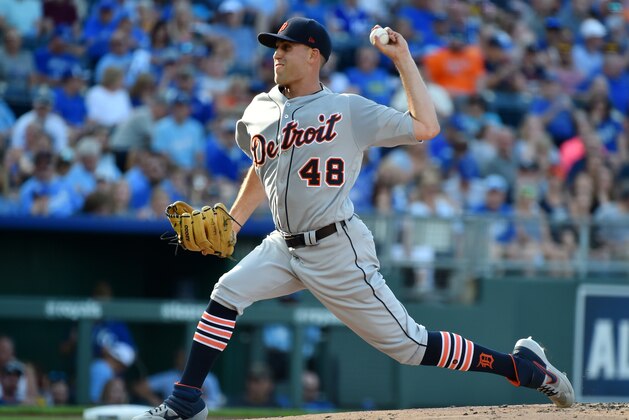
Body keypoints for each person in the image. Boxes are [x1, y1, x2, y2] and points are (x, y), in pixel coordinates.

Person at [134, 17, 574, 420]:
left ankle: (524, 368)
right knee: (227, 292)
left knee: (411, 345)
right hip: (283, 244)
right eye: (274, 47)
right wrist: (232, 221)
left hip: (337, 248)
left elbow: (426, 127)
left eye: (286, 47)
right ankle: (186, 400)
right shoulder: (259, 110)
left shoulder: (348, 109)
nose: (277, 54)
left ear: (313, 55)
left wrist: (402, 58)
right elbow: (260, 167)